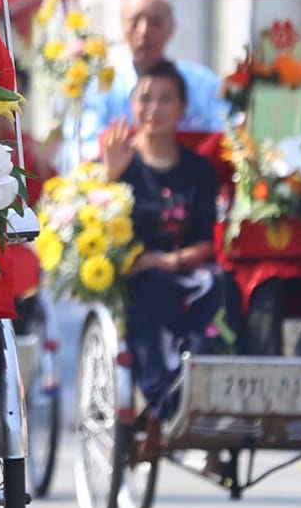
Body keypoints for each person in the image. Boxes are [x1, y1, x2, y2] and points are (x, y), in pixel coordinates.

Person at [99, 64, 237, 424]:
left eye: (166, 99)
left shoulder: (199, 170)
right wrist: (110, 177)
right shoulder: (122, 163)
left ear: (182, 108)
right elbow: (99, 232)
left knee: (220, 284)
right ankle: (164, 400)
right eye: (145, 98)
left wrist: (167, 260)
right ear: (132, 105)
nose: (154, 109)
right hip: (139, 278)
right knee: (152, 289)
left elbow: (208, 243)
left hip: (188, 270)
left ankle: (212, 394)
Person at [84, 0, 228, 143]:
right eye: (134, 21)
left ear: (172, 28)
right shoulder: (102, 85)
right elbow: (87, 141)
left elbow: (225, 134)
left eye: (155, 22)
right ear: (122, 28)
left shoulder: (203, 83)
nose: (144, 31)